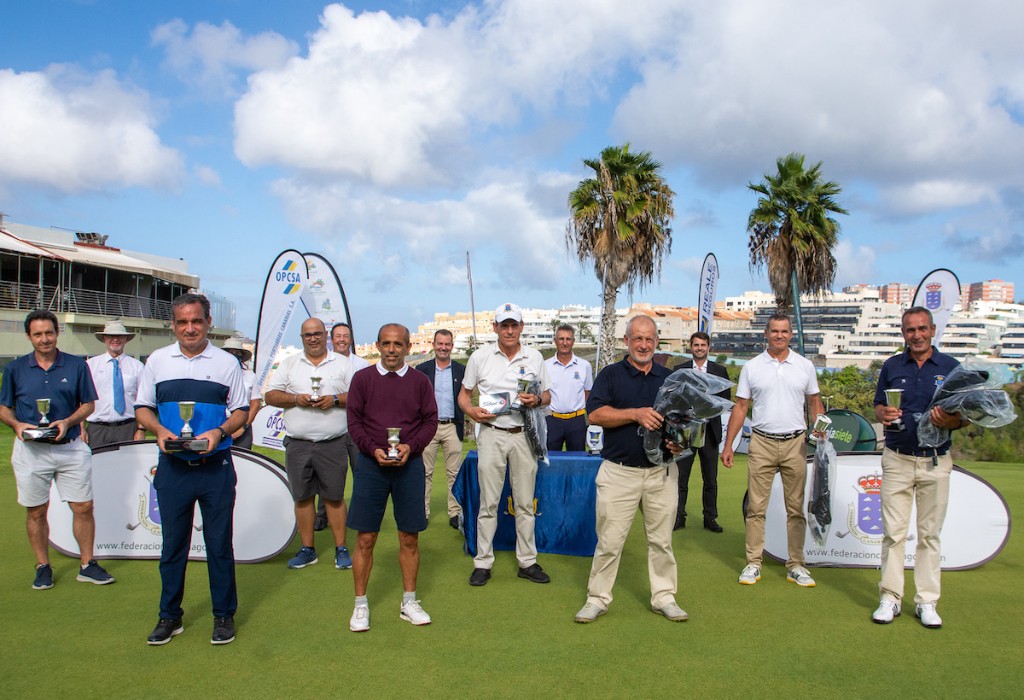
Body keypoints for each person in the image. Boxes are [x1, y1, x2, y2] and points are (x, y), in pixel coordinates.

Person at [135, 293, 249, 646]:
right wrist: (159, 430)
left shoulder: (227, 362)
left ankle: (223, 615)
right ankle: (170, 616)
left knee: (218, 545)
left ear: (208, 323)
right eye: (182, 322)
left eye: (196, 321)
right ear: (173, 324)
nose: (189, 328)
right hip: (173, 467)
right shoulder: (156, 360)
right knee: (172, 546)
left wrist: (218, 431)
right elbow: (143, 408)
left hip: (215, 466)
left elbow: (241, 412)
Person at [574, 315, 688, 624]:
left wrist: (680, 443)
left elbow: (683, 422)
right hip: (619, 472)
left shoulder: (670, 377)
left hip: (661, 473)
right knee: (609, 541)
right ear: (626, 341)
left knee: (662, 542)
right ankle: (597, 598)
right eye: (637, 338)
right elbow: (595, 415)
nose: (643, 344)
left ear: (656, 342)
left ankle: (664, 597)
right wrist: (635, 414)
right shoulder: (610, 375)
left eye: (649, 339)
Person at [0, 309, 114, 590]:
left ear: (57, 333)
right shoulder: (15, 369)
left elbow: (88, 405)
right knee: (36, 511)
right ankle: (43, 566)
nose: (44, 339)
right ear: (29, 336)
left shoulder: (76, 366)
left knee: (83, 507)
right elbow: (4, 409)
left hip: (71, 446)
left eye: (49, 333)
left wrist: (68, 421)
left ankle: (87, 564)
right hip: (31, 450)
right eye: (37, 334)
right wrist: (16, 425)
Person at [871, 306, 966, 629]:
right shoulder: (892, 366)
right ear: (903, 333)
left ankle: (926, 601)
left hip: (936, 460)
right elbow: (880, 404)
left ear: (932, 329)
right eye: (910, 330)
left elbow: (965, 414)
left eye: (922, 329)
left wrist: (950, 420)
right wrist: (883, 414)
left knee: (929, 536)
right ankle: (890, 597)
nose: (917, 335)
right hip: (897, 458)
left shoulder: (951, 368)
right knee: (893, 534)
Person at [346, 323, 438, 632]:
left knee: (409, 537)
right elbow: (354, 422)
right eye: (386, 343)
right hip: (372, 467)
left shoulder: (420, 381)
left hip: (409, 466)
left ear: (408, 347)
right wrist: (373, 450)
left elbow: (430, 420)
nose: (391, 349)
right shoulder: (362, 379)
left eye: (398, 344)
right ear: (377, 345)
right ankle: (360, 605)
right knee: (365, 538)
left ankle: (408, 601)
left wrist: (412, 446)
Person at [722, 313, 825, 588]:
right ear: (765, 334)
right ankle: (753, 563)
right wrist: (729, 445)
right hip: (762, 442)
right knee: (756, 508)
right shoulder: (752, 367)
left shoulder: (804, 366)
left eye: (785, 331)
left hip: (796, 443)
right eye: (775, 331)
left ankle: (796, 565)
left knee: (796, 509)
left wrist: (821, 427)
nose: (779, 335)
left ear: (791, 334)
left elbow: (814, 401)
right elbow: (741, 407)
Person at [459, 303, 551, 586]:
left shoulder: (534, 357)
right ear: (495, 327)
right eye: (504, 325)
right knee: (489, 503)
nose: (509, 330)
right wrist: (471, 411)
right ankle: (483, 563)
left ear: (522, 327)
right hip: (491, 433)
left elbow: (547, 396)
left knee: (525, 503)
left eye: (514, 325)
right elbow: (465, 395)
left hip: (524, 434)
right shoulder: (480, 356)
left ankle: (527, 562)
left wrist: (536, 400)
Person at [264, 318, 353, 571]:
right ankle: (308, 549)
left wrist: (334, 400)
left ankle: (341, 548)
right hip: (298, 443)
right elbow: (270, 395)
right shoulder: (290, 363)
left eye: (317, 334)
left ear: (326, 335)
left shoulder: (343, 363)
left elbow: (359, 395)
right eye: (307, 335)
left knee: (334, 498)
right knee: (302, 498)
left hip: (332, 443)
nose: (312, 338)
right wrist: (296, 399)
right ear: (301, 337)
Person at [314, 322, 370, 531]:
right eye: (338, 336)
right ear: (331, 338)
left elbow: (365, 398)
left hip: (358, 428)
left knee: (361, 472)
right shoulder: (324, 364)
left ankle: (362, 514)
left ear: (351, 339)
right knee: (326, 474)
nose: (342, 340)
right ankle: (323, 515)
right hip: (330, 425)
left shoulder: (363, 364)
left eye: (345, 336)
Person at [675, 331, 729, 532]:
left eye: (702, 345)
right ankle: (679, 516)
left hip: (710, 431)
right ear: (691, 347)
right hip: (686, 432)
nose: (699, 348)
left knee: (710, 479)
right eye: (696, 345)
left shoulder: (719, 371)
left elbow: (725, 401)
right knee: (681, 478)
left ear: (708, 347)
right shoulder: (679, 370)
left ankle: (710, 518)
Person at [415, 329, 466, 528]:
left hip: (453, 426)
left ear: (452, 346)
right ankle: (423, 513)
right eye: (440, 343)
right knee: (425, 472)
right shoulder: (422, 369)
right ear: (434, 344)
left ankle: (454, 513)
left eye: (447, 344)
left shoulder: (461, 370)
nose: (443, 347)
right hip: (428, 427)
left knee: (454, 473)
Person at [83, 319, 146, 449]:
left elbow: (143, 401)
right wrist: (81, 429)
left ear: (126, 339)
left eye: (119, 336)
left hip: (128, 428)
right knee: (97, 468)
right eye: (111, 336)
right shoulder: (90, 366)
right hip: (97, 430)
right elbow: (80, 399)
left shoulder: (137, 367)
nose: (115, 339)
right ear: (104, 338)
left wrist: (141, 429)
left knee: (128, 468)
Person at [544, 324, 593, 452]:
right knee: (550, 460)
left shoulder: (585, 366)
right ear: (555, 341)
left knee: (577, 460)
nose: (564, 343)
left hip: (576, 421)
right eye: (561, 339)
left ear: (573, 341)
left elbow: (587, 393)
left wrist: (591, 418)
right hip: (552, 420)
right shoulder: (545, 366)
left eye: (568, 339)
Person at [222, 337, 261, 449]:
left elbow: (255, 404)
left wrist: (243, 427)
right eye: (230, 353)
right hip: (220, 423)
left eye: (237, 353)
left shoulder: (250, 376)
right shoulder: (216, 375)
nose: (233, 356)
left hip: (243, 423)